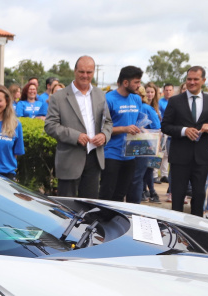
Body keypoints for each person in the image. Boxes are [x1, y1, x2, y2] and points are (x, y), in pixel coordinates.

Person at [44, 56, 112, 198]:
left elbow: (108, 122)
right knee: (67, 207)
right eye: (81, 71)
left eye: (89, 72)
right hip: (70, 158)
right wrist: (76, 136)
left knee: (89, 207)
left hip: (94, 158)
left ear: (94, 73)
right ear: (75, 71)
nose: (85, 76)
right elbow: (50, 125)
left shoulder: (100, 95)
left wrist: (104, 135)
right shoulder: (59, 97)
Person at [161, 66, 208, 215]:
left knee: (199, 195)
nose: (192, 82)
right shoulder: (175, 101)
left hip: (201, 156)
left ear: (203, 81)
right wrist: (183, 131)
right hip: (180, 156)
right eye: (189, 79)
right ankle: (176, 229)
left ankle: (197, 228)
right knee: (178, 195)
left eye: (195, 79)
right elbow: (165, 126)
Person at [100, 66, 144, 201]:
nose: (139, 85)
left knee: (121, 194)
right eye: (136, 82)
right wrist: (124, 129)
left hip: (130, 155)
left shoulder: (136, 99)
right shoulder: (108, 99)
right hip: (112, 154)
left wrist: (142, 130)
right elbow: (100, 129)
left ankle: (115, 221)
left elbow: (138, 122)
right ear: (125, 83)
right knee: (107, 193)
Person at [127, 86, 161, 204]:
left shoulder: (146, 108)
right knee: (134, 176)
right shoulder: (129, 107)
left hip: (143, 144)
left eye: (138, 95)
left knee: (139, 175)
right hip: (128, 145)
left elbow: (157, 128)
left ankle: (140, 198)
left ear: (142, 97)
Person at [140, 82, 162, 202]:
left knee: (149, 167)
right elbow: (157, 126)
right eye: (147, 92)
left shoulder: (154, 107)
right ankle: (148, 191)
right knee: (147, 168)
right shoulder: (146, 107)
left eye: (151, 92)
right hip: (148, 140)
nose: (149, 94)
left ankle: (148, 190)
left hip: (152, 139)